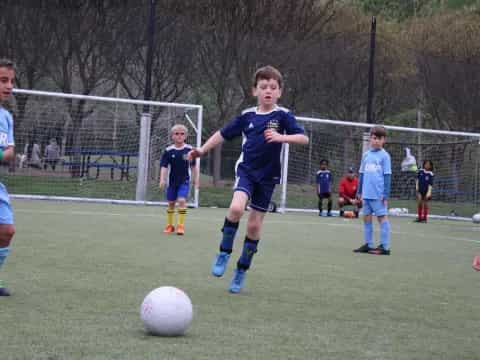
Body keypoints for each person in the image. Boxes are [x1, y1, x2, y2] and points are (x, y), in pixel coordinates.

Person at [188, 65, 308, 293]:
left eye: (273, 87)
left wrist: (282, 137)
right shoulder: (247, 117)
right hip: (247, 171)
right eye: (263, 87)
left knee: (253, 226)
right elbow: (222, 134)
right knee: (235, 209)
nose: (268, 91)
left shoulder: (283, 116)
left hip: (268, 177)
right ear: (255, 91)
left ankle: (241, 269)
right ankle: (224, 252)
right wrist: (202, 150)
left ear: (280, 92)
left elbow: (303, 139)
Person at [353, 126, 392, 255]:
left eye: (379, 139)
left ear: (384, 140)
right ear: (370, 138)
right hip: (366, 195)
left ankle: (385, 247)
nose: (376, 141)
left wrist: (385, 194)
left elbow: (387, 175)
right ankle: (368, 244)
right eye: (374, 138)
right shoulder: (366, 155)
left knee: (382, 218)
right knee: (367, 218)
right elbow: (362, 174)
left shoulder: (385, 156)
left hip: (378, 195)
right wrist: (359, 192)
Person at [159, 124, 199, 236]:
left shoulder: (189, 150)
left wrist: (196, 179)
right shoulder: (168, 151)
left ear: (185, 136)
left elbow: (193, 166)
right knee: (171, 203)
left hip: (184, 181)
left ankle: (180, 226)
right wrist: (162, 179)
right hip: (172, 182)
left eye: (182, 134)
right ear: (172, 136)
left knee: (181, 200)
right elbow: (164, 166)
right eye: (176, 134)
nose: (179, 136)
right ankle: (170, 226)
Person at [0, 59, 17, 296]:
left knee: (7, 230)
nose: (9, 86)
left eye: (12, 81)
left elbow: (10, 151)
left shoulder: (7, 117)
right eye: (4, 80)